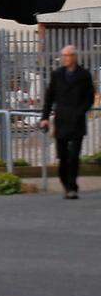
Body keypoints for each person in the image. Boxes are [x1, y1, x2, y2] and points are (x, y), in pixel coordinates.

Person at [39, 44, 96, 199]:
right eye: (63, 55)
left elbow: (89, 97)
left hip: (77, 121)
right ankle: (65, 182)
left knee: (74, 155)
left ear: (74, 57)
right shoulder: (57, 74)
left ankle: (72, 187)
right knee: (63, 156)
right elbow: (49, 97)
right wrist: (44, 118)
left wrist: (80, 111)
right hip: (61, 120)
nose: (65, 58)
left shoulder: (84, 75)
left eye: (68, 55)